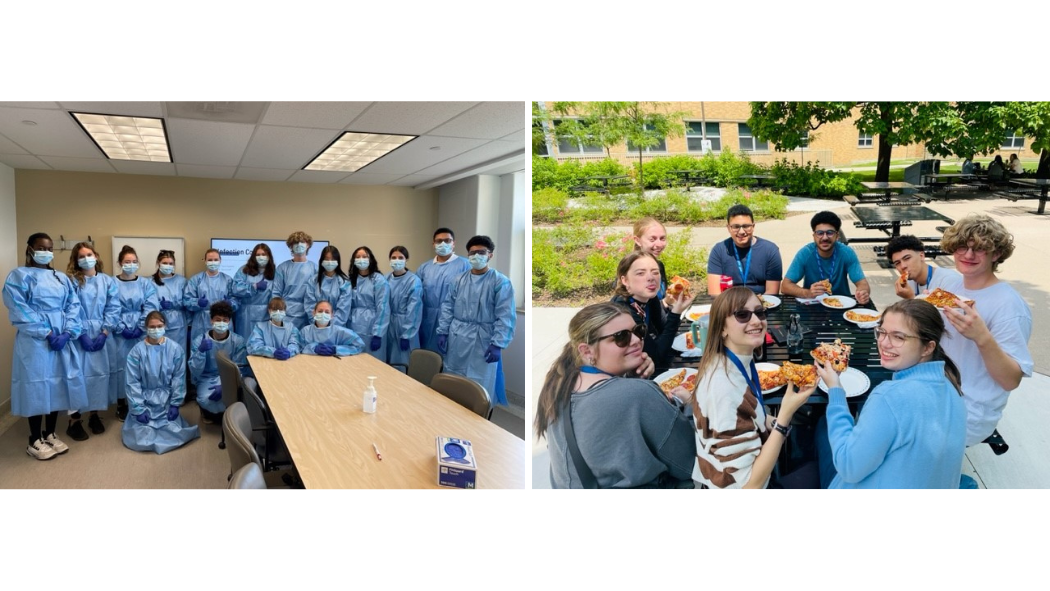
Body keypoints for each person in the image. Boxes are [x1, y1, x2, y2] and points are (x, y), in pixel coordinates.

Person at [535, 302, 696, 488]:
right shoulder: (637, 395)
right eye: (621, 337)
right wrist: (690, 403)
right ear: (586, 351)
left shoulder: (558, 386)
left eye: (638, 330)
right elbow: (690, 461)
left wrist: (631, 379)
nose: (636, 340)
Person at [814, 299, 967, 488]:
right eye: (882, 332)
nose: (884, 343)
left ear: (928, 347)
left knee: (821, 426)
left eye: (899, 337)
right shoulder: (953, 387)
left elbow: (848, 467)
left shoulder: (889, 397)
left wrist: (835, 391)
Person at [692, 287, 817, 489]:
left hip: (729, 467)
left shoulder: (730, 360)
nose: (757, 321)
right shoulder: (724, 388)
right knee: (821, 469)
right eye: (742, 315)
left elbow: (742, 414)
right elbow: (749, 487)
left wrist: (767, 420)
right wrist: (784, 418)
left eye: (759, 312)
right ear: (721, 327)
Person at [927, 214, 1033, 446]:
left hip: (970, 410)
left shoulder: (1009, 306)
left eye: (980, 249)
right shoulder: (949, 284)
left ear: (996, 254)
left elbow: (1010, 380)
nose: (968, 255)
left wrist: (981, 337)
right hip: (935, 389)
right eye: (962, 246)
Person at [3, 233, 88, 460]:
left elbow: (73, 306)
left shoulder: (61, 278)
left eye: (50, 248)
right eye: (41, 247)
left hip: (61, 337)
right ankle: (33, 439)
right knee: (36, 385)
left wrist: (68, 332)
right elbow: (19, 309)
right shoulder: (19, 276)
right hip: (35, 341)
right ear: (30, 248)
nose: (47, 252)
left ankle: (50, 432)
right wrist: (47, 332)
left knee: (57, 383)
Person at [437, 236, 516, 405]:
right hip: (457, 336)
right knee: (453, 376)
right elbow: (447, 307)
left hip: (483, 339)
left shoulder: (500, 282)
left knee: (479, 381)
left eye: (481, 252)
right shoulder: (458, 280)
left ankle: (477, 418)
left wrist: (497, 343)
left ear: (490, 255)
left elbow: (506, 315)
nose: (476, 256)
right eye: (472, 253)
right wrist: (442, 331)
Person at [64, 241, 121, 441]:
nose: (86, 258)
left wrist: (105, 333)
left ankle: (94, 415)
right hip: (78, 335)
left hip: (103, 333)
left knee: (99, 375)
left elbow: (114, 308)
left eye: (88, 254)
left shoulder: (108, 281)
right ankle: (74, 421)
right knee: (78, 376)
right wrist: (81, 334)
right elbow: (69, 310)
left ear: (96, 256)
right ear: (75, 260)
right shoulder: (71, 281)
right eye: (81, 256)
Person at [122, 311, 200, 454]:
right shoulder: (136, 352)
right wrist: (138, 409)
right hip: (144, 400)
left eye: (159, 326)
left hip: (166, 401)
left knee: (173, 430)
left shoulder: (175, 349)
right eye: (152, 327)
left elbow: (179, 378)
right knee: (142, 434)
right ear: (146, 328)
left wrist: (175, 404)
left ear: (165, 326)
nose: (156, 330)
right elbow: (132, 382)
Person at [610, 251, 690, 370]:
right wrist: (676, 313)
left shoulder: (648, 298)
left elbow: (664, 331)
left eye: (655, 272)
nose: (651, 278)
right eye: (640, 273)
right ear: (625, 280)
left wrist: (675, 308)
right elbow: (657, 356)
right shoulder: (623, 311)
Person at [781, 210, 871, 304]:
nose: (824, 238)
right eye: (820, 233)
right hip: (813, 306)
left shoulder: (846, 253)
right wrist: (807, 293)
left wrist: (862, 293)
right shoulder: (805, 253)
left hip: (841, 305)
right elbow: (785, 286)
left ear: (837, 236)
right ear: (814, 236)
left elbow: (863, 284)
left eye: (830, 232)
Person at [113, 245, 159, 421]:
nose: (131, 264)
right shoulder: (112, 283)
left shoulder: (145, 283)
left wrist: (141, 326)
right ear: (120, 263)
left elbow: (151, 305)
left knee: (143, 366)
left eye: (134, 262)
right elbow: (109, 307)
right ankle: (121, 404)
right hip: (119, 333)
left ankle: (141, 401)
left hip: (141, 331)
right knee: (121, 367)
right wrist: (120, 327)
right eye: (127, 262)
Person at [189, 301, 247, 424]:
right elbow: (195, 371)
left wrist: (226, 385)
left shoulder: (238, 341)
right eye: (218, 319)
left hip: (229, 378)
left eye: (225, 320)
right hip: (206, 378)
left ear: (229, 321)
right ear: (211, 320)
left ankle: (225, 416)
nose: (221, 323)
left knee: (231, 398)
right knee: (206, 399)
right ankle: (208, 413)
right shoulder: (200, 341)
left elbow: (239, 368)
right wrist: (200, 352)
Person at [706, 203, 783, 295]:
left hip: (760, 304)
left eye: (746, 226)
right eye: (736, 227)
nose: (741, 231)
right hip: (728, 304)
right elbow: (714, 293)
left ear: (753, 226)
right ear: (728, 228)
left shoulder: (770, 250)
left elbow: (772, 292)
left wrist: (756, 305)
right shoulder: (719, 250)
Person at [416, 227, 470, 355]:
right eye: (439, 241)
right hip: (427, 320)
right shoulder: (425, 268)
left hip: (453, 322)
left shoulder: (465, 265)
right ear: (433, 244)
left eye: (447, 240)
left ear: (454, 243)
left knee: (450, 359)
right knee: (427, 358)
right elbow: (416, 296)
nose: (443, 244)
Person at [183, 248, 237, 348]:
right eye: (210, 260)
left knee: (224, 350)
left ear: (220, 260)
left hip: (223, 321)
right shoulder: (196, 280)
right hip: (201, 321)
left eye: (216, 260)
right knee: (201, 348)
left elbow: (236, 300)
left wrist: (230, 303)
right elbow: (186, 300)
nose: (213, 262)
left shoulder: (228, 280)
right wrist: (197, 303)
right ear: (205, 261)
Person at [348, 246, 390, 362]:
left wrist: (378, 334)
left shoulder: (379, 280)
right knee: (355, 362)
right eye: (358, 257)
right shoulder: (351, 280)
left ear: (371, 259)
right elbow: (346, 305)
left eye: (364, 256)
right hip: (354, 326)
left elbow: (383, 307)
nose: (361, 259)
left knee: (374, 363)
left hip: (372, 327)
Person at [385, 246, 423, 367]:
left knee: (404, 363)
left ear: (406, 259)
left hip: (405, 326)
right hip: (388, 325)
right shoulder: (385, 279)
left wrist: (407, 335)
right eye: (394, 257)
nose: (397, 260)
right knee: (387, 363)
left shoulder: (413, 281)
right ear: (389, 260)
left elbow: (414, 311)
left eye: (400, 257)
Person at [271, 231, 318, 330]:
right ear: (290, 246)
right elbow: (276, 292)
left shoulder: (315, 268)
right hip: (286, 313)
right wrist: (278, 312)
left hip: (307, 313)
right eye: (296, 243)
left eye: (302, 241)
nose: (299, 245)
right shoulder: (283, 268)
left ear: (308, 244)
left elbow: (317, 294)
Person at [232, 243, 275, 341]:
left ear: (269, 256)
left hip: (266, 314)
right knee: (244, 342)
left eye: (264, 254)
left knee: (262, 341)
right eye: (258, 254)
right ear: (253, 256)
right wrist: (254, 286)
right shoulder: (244, 270)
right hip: (245, 314)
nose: (261, 257)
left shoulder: (274, 272)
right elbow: (235, 288)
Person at [152, 249, 188, 358]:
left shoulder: (181, 281)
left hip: (178, 325)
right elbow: (146, 304)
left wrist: (174, 304)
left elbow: (188, 301)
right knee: (158, 355)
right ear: (158, 263)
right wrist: (158, 305)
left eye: (170, 264)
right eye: (165, 263)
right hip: (156, 324)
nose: (168, 266)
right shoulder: (150, 282)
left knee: (177, 355)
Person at [304, 245, 352, 328]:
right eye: (326, 259)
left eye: (333, 259)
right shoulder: (313, 281)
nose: (329, 262)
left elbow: (343, 309)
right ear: (322, 261)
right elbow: (309, 305)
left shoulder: (344, 282)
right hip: (316, 327)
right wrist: (318, 323)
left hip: (337, 329)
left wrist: (330, 327)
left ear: (338, 261)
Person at [300, 301, 365, 356]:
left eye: (327, 312)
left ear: (331, 315)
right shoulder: (305, 331)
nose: (323, 314)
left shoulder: (340, 331)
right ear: (314, 313)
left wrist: (336, 349)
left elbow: (359, 345)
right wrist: (313, 348)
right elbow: (298, 347)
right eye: (320, 311)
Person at [886, 235, 936, 299]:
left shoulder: (947, 280)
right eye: (897, 263)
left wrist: (910, 298)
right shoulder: (908, 283)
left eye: (907, 258)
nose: (903, 266)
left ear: (921, 256)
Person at [632, 217, 670, 301]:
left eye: (662, 238)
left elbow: (662, 298)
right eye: (652, 239)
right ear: (638, 240)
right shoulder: (630, 268)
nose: (659, 244)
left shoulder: (659, 265)